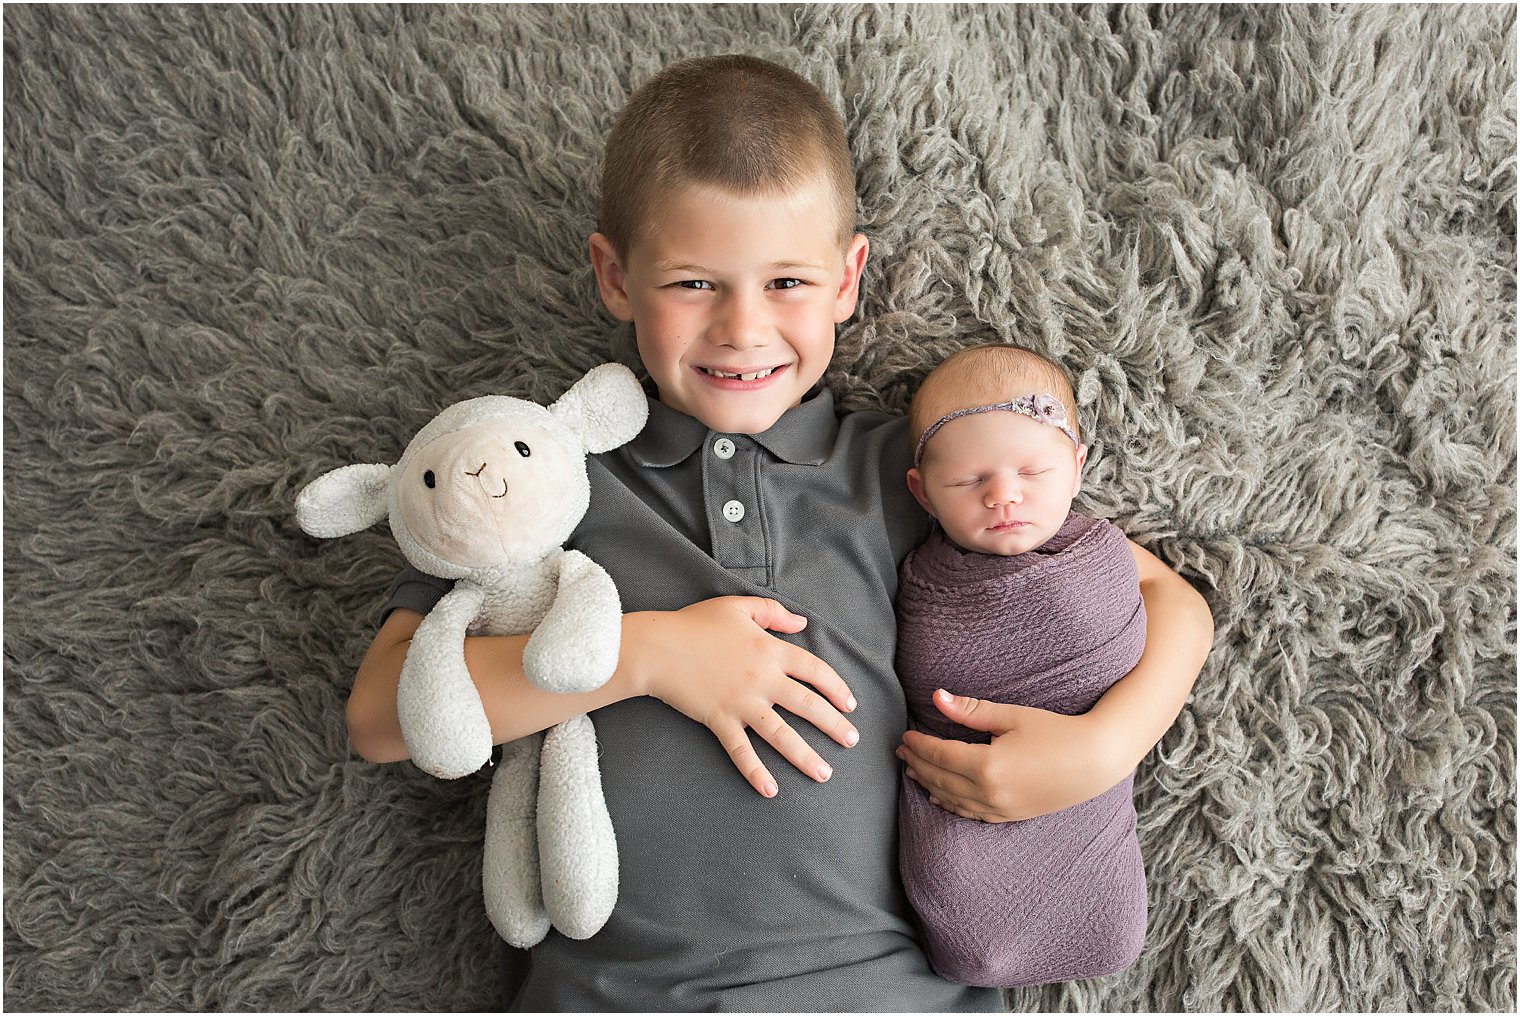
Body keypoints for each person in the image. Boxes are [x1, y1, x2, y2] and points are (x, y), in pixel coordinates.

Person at [344, 55, 1214, 1011]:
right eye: (693, 284)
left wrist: (1103, 749)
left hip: (885, 992)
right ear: (615, 277)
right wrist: (644, 656)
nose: (743, 330)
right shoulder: (552, 481)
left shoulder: (908, 475)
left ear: (848, 281)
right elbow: (383, 714)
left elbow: (1165, 595)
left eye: (788, 282)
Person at [893, 344, 1155, 988]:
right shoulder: (921, 581)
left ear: (1078, 465)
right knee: (959, 886)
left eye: (1034, 472)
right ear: (922, 494)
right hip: (963, 792)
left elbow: (1134, 630)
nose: (1003, 496)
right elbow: (923, 668)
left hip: (1080, 779)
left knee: (1108, 922)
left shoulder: (1102, 551)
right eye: (966, 481)